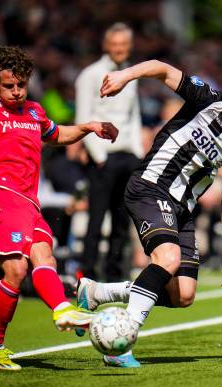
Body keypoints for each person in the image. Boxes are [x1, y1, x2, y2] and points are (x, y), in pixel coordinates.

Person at [75, 59, 222, 367]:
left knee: (183, 294)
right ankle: (120, 343)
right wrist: (125, 75)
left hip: (183, 209)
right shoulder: (209, 100)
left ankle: (98, 292)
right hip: (150, 186)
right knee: (168, 259)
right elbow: (161, 69)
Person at [0, 45, 118, 371]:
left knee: (43, 255)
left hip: (29, 201)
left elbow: (57, 134)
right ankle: (2, 342)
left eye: (21, 85)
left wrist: (88, 127)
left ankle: (54, 311)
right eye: (9, 86)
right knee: (17, 269)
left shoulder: (33, 111)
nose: (17, 92)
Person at [75, 22, 143, 282]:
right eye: (115, 44)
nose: (119, 49)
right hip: (102, 155)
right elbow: (83, 116)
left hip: (127, 155)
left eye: (124, 45)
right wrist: (99, 155)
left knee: (122, 220)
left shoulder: (130, 74)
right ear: (106, 45)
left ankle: (116, 276)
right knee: (96, 219)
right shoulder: (89, 75)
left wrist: (137, 151)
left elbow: (133, 115)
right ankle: (87, 276)